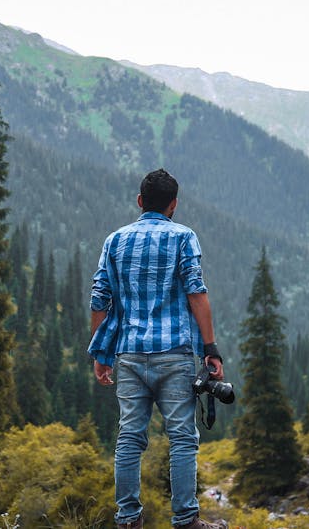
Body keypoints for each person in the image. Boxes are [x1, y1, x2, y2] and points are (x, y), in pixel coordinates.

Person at [88, 168, 225, 529]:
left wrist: (101, 354)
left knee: (130, 437)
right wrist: (210, 348)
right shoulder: (183, 237)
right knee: (182, 437)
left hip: (129, 355)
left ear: (139, 202)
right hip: (174, 355)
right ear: (173, 204)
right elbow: (197, 292)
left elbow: (99, 298)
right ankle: (186, 520)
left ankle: (128, 520)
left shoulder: (114, 241)